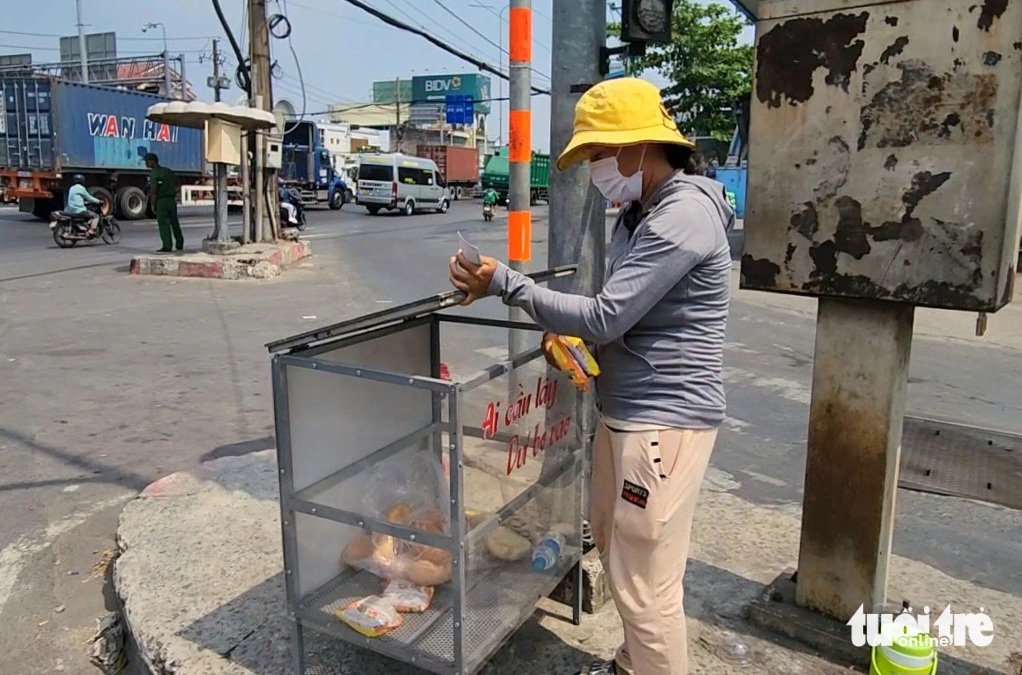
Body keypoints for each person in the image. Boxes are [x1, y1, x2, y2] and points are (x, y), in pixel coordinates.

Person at [449, 77, 734, 675]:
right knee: (618, 549)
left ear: (640, 145)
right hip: (627, 416)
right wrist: (576, 342)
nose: (600, 168)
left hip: (662, 424)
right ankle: (632, 664)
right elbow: (627, 317)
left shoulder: (681, 214)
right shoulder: (640, 211)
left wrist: (509, 283)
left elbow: (608, 314)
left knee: (646, 589)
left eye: (603, 154)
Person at [145, 153, 183, 253]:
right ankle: (180, 243)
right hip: (171, 200)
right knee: (174, 222)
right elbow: (178, 182)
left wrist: (152, 205)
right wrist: (174, 191)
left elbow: (153, 191)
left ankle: (167, 246)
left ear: (153, 161)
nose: (146, 163)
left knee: (164, 224)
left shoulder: (154, 174)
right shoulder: (168, 171)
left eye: (147, 161)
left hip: (162, 201)